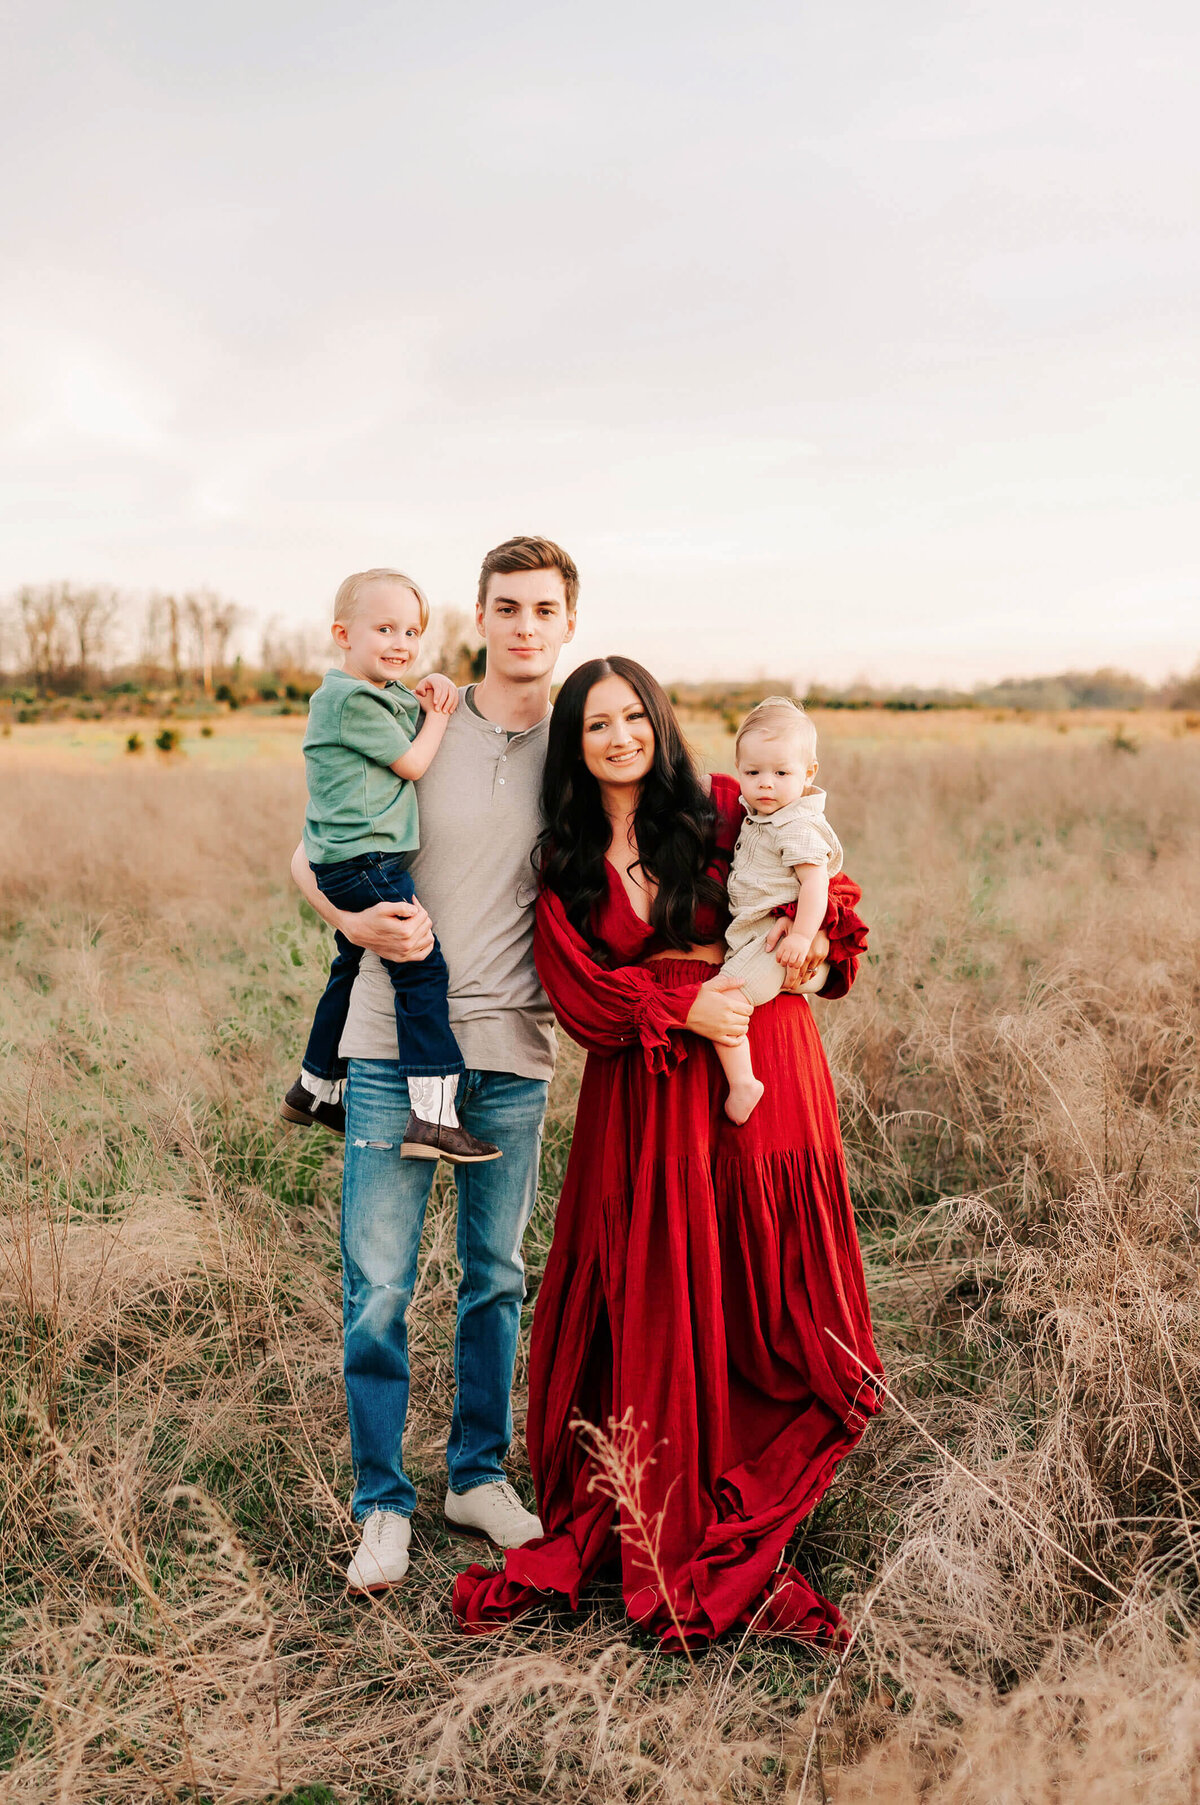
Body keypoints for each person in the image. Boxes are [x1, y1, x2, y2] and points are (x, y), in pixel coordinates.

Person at [453, 656, 881, 1649]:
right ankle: (658, 1498)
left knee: (757, 1288)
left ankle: (748, 1489)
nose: (619, 736)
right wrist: (672, 999)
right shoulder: (560, 855)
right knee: (651, 1287)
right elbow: (575, 990)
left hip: (757, 1075)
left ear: (659, 722)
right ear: (575, 741)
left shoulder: (724, 806)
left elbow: (823, 889)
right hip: (643, 1091)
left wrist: (815, 949)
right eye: (597, 722)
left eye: (633, 716)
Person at [288, 536, 578, 1594]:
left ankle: (477, 1474)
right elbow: (308, 849)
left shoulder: (581, 746)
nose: (524, 626)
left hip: (513, 1046)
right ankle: (381, 1503)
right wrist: (351, 917)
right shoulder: (415, 716)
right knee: (378, 1288)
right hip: (383, 1036)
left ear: (567, 624)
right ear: (483, 615)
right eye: (507, 606)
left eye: (544, 609)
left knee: (494, 1277)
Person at [281, 566, 500, 1165]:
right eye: (384, 629)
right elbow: (411, 762)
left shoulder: (362, 693)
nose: (401, 643)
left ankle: (317, 1087)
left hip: (346, 862)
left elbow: (398, 702)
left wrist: (423, 683)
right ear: (342, 633)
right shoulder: (349, 699)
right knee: (421, 970)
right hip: (367, 861)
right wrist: (440, 714)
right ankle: (432, 1117)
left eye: (412, 632)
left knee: (351, 963)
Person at [716, 696, 844, 1124]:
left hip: (776, 941)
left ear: (809, 774)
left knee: (727, 1001)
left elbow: (815, 883)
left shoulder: (796, 824)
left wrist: (803, 936)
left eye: (781, 773)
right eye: (752, 773)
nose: (765, 784)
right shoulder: (758, 816)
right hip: (752, 937)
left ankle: (743, 1083)